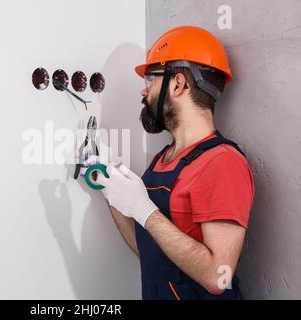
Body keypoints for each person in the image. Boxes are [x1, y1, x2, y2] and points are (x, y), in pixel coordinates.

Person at [92, 26, 255, 300]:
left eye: (150, 80)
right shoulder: (161, 160)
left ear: (178, 84)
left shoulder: (222, 162)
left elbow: (219, 276)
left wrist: (144, 210)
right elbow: (149, 250)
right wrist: (111, 191)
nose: (144, 92)